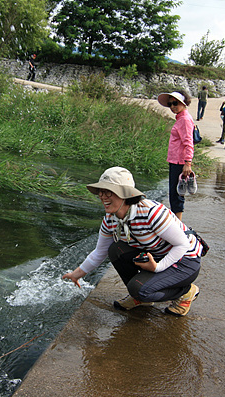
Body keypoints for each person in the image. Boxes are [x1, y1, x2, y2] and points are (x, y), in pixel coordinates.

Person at [62, 167, 202, 316]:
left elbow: (182, 244)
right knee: (115, 250)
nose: (102, 196)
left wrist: (158, 267)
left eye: (108, 191)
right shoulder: (111, 219)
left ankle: (185, 292)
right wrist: (76, 274)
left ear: (125, 194)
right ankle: (140, 298)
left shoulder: (150, 213)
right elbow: (100, 252)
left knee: (140, 290)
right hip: (157, 256)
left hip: (185, 261)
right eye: (101, 191)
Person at [157, 89, 195, 221]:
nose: (173, 107)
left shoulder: (184, 119)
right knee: (174, 194)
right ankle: (176, 224)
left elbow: (188, 142)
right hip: (175, 161)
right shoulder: (181, 118)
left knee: (177, 195)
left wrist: (187, 163)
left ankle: (178, 226)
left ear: (183, 103)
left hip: (180, 162)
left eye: (175, 103)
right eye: (170, 104)